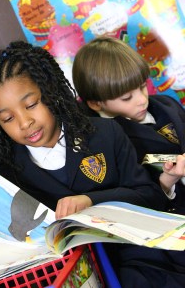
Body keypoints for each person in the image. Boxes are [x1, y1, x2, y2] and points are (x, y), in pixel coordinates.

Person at [0, 41, 183, 288]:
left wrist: (91, 200)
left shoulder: (105, 134)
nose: (24, 123)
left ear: (50, 93)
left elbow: (149, 194)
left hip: (138, 265)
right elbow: (2, 239)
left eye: (31, 105)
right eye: (8, 118)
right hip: (60, 283)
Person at [73, 36, 185, 215]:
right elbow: (140, 198)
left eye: (142, 87)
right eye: (126, 98)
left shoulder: (167, 105)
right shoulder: (106, 142)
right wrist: (169, 179)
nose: (142, 100)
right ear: (95, 103)